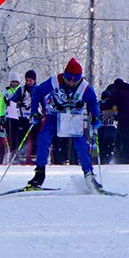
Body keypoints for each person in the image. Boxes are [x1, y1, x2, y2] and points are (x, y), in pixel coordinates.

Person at [27, 59, 104, 191]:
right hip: (54, 114)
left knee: (80, 144)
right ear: (65, 75)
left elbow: (92, 101)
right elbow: (38, 92)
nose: (71, 82)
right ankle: (39, 173)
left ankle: (89, 175)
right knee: (43, 138)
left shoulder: (84, 87)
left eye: (75, 80)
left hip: (73, 117)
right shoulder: (55, 80)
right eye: (69, 79)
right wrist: (34, 112)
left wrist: (96, 116)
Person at [0, 70, 36, 166]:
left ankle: (26, 155)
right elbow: (2, 104)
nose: (14, 83)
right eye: (13, 81)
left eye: (16, 82)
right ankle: (13, 154)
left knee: (24, 135)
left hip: (20, 115)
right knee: (13, 136)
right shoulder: (6, 90)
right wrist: (2, 115)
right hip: (11, 115)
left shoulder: (21, 89)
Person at [111, 77, 129, 165]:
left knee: (125, 143)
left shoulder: (118, 92)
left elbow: (110, 103)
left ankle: (127, 162)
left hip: (125, 121)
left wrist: (99, 107)